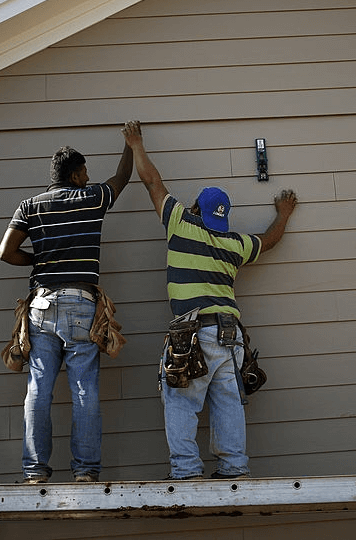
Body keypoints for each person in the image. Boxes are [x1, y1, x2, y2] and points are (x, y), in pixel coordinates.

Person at [121, 121, 297, 480]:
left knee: (181, 400)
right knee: (228, 402)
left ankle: (186, 472)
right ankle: (234, 469)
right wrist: (284, 213)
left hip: (193, 332)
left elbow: (153, 182)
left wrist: (136, 143)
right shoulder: (234, 245)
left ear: (197, 210)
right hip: (230, 335)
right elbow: (269, 239)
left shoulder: (181, 224)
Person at [0, 136, 133, 484]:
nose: (89, 178)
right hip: (81, 304)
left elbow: (5, 253)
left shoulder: (30, 206)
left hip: (41, 304)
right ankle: (85, 472)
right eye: (85, 173)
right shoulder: (90, 198)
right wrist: (131, 145)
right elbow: (121, 178)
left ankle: (34, 472)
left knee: (38, 390)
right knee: (84, 389)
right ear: (74, 175)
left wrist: (39, 260)